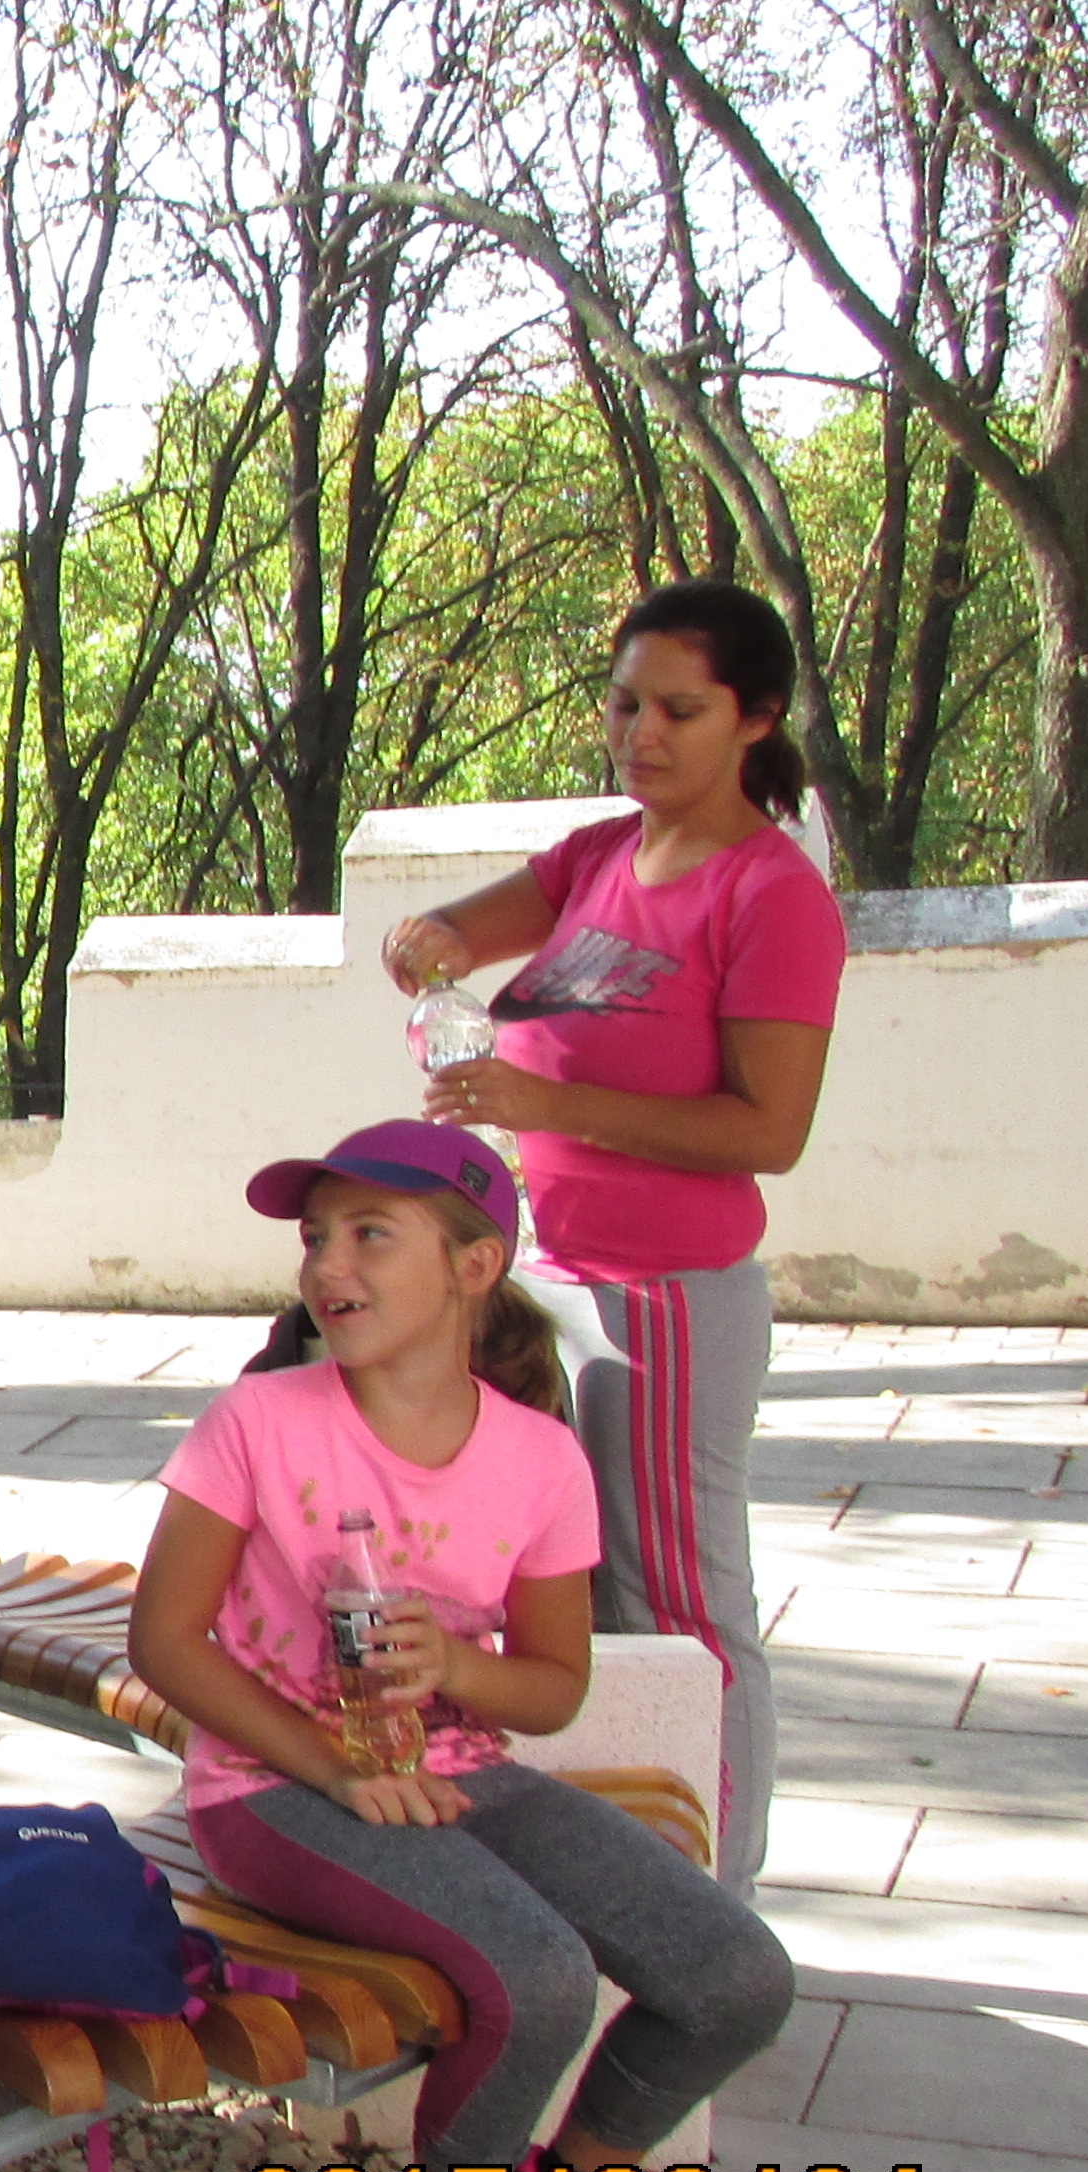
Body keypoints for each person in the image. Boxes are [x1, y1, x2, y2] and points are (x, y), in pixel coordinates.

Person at [131, 1119, 795, 2172]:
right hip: (273, 1789)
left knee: (735, 1976)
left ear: (475, 1264)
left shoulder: (540, 1459)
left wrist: (458, 1670)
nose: (328, 1264)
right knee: (534, 1976)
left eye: (370, 1235)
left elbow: (550, 1689)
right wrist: (336, 1769)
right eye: (317, 1237)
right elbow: (165, 1643)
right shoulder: (260, 1423)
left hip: (463, 1773)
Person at [380, 579, 846, 1895]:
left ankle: (719, 1912)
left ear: (755, 719)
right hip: (556, 1282)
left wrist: (548, 1106)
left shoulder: (771, 896)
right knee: (560, 1598)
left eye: (679, 711)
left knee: (678, 1605)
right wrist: (428, 944)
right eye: (625, 703)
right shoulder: (600, 857)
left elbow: (769, 1129)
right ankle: (622, 1880)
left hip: (669, 1302)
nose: (641, 734)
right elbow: (459, 933)